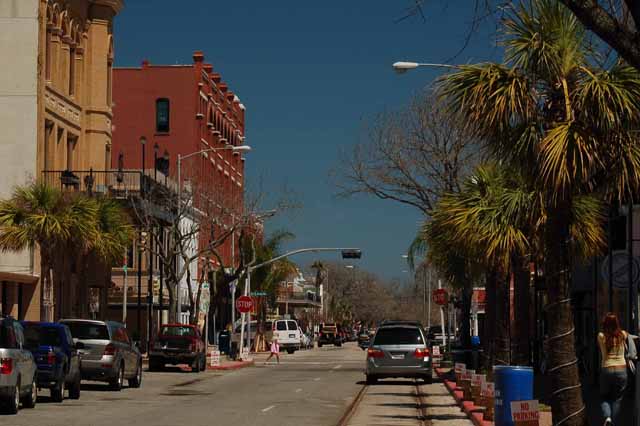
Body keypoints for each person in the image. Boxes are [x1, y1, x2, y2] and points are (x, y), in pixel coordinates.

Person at [597, 313, 628, 426]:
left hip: (607, 369)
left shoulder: (601, 336)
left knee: (604, 396)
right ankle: (613, 422)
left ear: (605, 324)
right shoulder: (623, 334)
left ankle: (608, 418)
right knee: (617, 399)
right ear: (617, 323)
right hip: (621, 369)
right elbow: (630, 336)